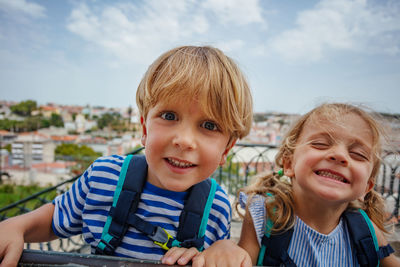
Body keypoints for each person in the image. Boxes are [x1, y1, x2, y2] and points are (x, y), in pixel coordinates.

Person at [0, 45, 253, 267]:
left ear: (226, 149)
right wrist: (16, 227)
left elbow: (216, 257)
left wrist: (224, 250)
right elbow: (55, 219)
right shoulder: (104, 177)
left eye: (209, 126)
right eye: (169, 116)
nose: (184, 141)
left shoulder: (216, 206)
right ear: (144, 129)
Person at [191, 103, 399, 266]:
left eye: (358, 154)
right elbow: (242, 259)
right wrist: (225, 248)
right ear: (289, 164)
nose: (339, 155)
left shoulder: (364, 229)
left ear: (367, 187)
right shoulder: (264, 214)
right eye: (320, 144)